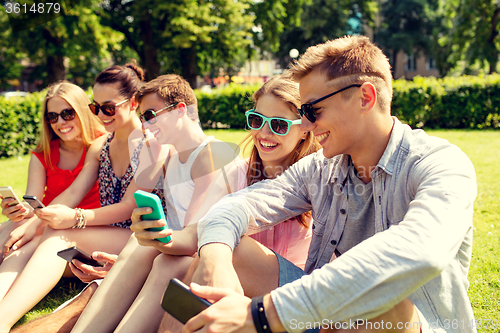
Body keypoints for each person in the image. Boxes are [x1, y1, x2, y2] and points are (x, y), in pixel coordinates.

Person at [178, 35, 477, 333]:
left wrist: (262, 314)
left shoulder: (441, 164)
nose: (305, 126)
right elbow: (235, 207)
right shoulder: (320, 167)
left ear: (365, 98)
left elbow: (419, 251)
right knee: (223, 251)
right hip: (322, 317)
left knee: (382, 305)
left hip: (400, 324)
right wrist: (216, 262)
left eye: (312, 111)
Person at [71, 73, 320, 333]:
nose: (264, 133)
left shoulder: (317, 176)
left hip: (292, 291)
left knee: (221, 248)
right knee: (152, 250)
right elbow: (197, 230)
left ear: (303, 129)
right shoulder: (237, 171)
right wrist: (160, 236)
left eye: (279, 124)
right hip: (231, 279)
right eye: (257, 120)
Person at [0, 61, 164, 332]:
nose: (101, 114)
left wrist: (75, 218)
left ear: (133, 102)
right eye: (95, 107)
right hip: (110, 232)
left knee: (58, 236)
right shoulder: (101, 145)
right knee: (28, 240)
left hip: (142, 237)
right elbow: (74, 191)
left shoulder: (151, 143)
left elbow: (129, 207)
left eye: (108, 107)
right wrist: (31, 223)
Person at [0, 81, 104, 297]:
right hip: (48, 221)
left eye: (68, 113)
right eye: (52, 116)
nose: (60, 122)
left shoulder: (101, 145)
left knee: (23, 240)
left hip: (84, 228)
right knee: (13, 225)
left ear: (82, 111)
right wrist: (20, 211)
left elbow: (73, 195)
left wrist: (32, 221)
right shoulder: (43, 153)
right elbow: (33, 203)